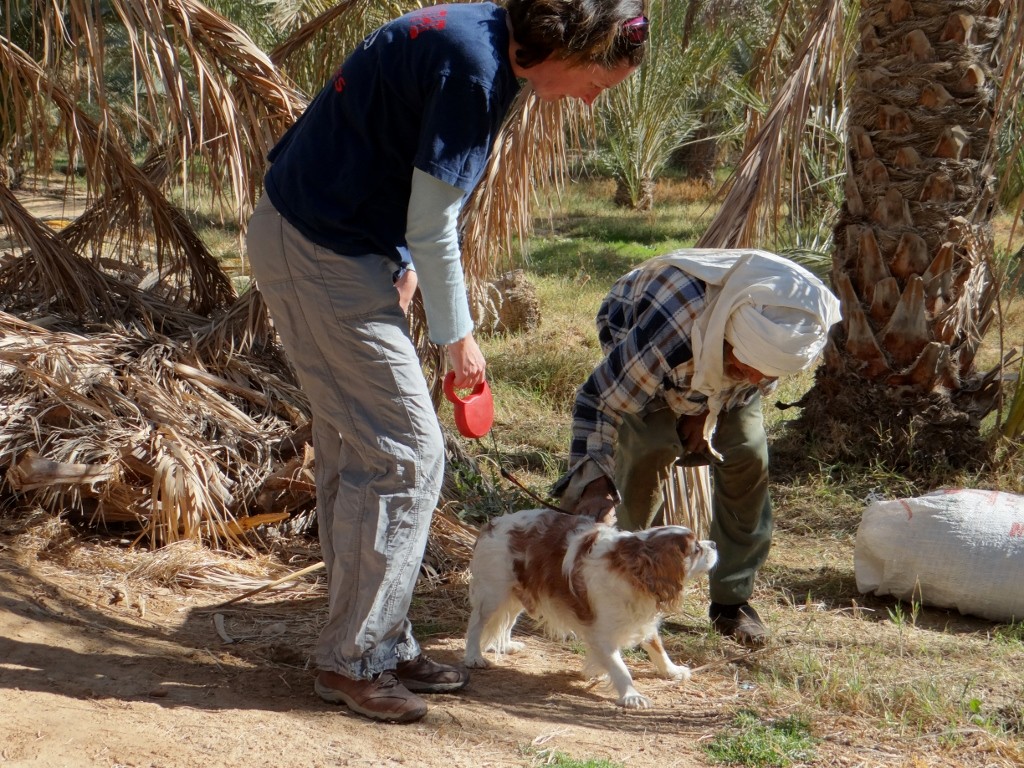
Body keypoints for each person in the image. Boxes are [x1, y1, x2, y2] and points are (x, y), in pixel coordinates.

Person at [245, 0, 649, 724]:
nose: (591, 99)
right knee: (404, 454)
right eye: (598, 80)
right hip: (319, 250)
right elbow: (435, 221)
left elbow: (387, 153)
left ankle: (376, 642)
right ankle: (354, 659)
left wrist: (396, 263)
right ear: (571, 44)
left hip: (340, 246)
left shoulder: (481, 38)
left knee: (361, 448)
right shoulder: (475, 67)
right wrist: (457, 337)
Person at [552, 249, 841, 647]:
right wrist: (595, 485)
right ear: (727, 335)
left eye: (765, 376)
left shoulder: (781, 335)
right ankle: (620, 587)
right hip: (638, 325)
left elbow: (746, 381)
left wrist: (706, 409)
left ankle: (732, 603)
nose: (754, 378)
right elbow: (598, 401)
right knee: (649, 450)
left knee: (748, 455)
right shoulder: (669, 333)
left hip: (707, 364)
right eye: (744, 368)